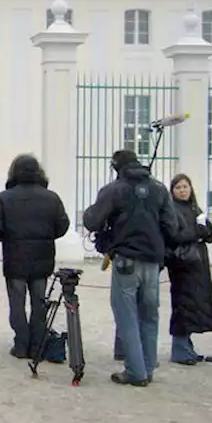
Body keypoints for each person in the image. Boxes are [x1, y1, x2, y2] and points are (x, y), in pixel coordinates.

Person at [82, 149, 183, 387]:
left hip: (126, 257)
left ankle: (136, 371)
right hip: (153, 260)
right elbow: (172, 226)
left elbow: (93, 221)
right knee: (150, 315)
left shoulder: (114, 190)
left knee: (126, 315)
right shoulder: (158, 189)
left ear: (116, 167)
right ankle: (147, 367)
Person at [0, 154, 70, 359]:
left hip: (15, 257)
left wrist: (6, 237)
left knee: (17, 303)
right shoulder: (51, 197)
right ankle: (37, 344)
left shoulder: (5, 198)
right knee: (39, 303)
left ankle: (21, 343)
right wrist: (46, 235)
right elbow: (62, 225)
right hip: (42, 257)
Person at [165, 174, 212, 365]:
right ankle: (180, 350)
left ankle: (187, 347)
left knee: (194, 305)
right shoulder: (171, 209)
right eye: (178, 187)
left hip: (198, 265)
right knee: (183, 306)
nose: (183, 190)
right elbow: (173, 235)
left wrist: (205, 231)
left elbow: (210, 233)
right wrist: (196, 232)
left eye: (185, 186)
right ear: (172, 190)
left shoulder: (195, 208)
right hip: (182, 264)